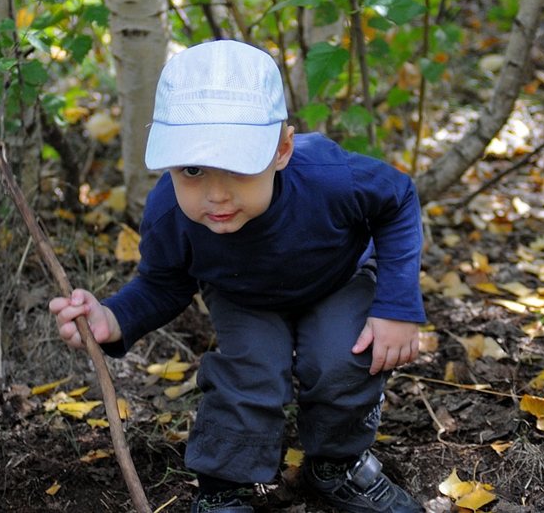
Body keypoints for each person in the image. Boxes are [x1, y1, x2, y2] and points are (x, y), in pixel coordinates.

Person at [49, 40, 426, 513]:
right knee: (249, 374)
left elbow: (398, 201)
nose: (216, 195)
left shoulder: (330, 177)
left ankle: (337, 461)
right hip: (243, 296)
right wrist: (111, 318)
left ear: (282, 149)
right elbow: (163, 283)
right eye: (192, 170)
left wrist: (396, 306)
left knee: (343, 361)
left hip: (338, 279)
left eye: (240, 168)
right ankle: (224, 486)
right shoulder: (171, 213)